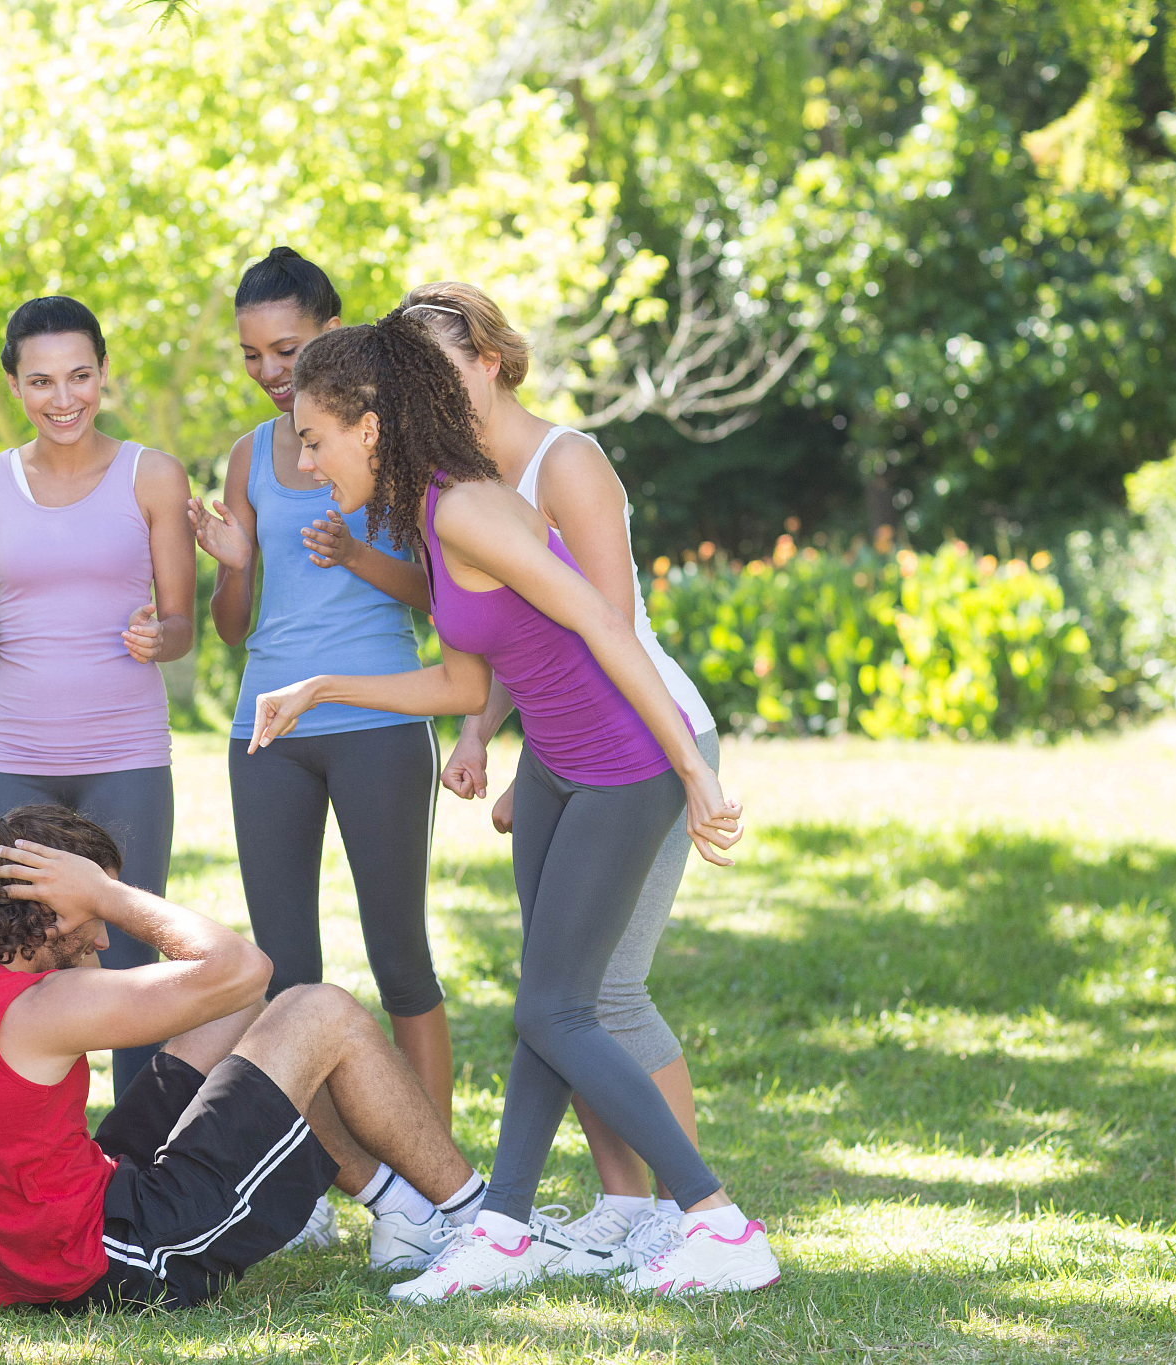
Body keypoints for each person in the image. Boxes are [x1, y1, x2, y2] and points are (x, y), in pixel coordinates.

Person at [249, 311, 780, 1299]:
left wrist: (693, 769)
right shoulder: (429, 509)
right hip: (551, 770)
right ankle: (502, 1232)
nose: (308, 462)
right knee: (546, 1002)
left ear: (369, 427)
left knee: (556, 1007)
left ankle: (717, 1223)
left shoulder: (467, 509)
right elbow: (461, 683)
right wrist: (321, 687)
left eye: (314, 439)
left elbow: (604, 622)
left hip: (620, 766)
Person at [405, 280, 722, 1275]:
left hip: (645, 733)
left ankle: (689, 1213)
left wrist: (566, 762)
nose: (429, 395)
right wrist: (487, 737)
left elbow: (601, 627)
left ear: (491, 359)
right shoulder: (456, 483)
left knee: (601, 991)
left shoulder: (566, 462)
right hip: (566, 747)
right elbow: (517, 635)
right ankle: (625, 1204)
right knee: (561, 988)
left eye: (443, 370)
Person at [0, 804, 488, 1310]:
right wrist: (106, 893)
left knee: (240, 1015)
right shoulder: (40, 1008)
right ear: (48, 910)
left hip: (26, 1261)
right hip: (114, 1263)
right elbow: (244, 967)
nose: (105, 936)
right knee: (322, 1010)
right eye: (96, 912)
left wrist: (83, 908)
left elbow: (231, 997)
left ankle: (404, 1214)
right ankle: (483, 1222)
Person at [189, 248, 460, 1267]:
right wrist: (231, 566)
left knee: (399, 958)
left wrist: (356, 555)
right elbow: (232, 626)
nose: (268, 371)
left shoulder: (393, 444)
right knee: (282, 972)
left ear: (332, 336)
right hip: (266, 730)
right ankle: (312, 1176)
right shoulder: (249, 457)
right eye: (252, 354)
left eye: (287, 348)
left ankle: (435, 1185)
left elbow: (443, 596)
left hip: (379, 720)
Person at [0, 295, 196, 1099]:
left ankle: (140, 1157)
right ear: (15, 384)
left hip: (126, 754)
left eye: (80, 376)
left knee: (130, 960)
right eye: (42, 380)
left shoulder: (153, 475)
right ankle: (21, 1141)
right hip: (14, 755)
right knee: (3, 955)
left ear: (104, 373)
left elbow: (183, 624)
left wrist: (161, 635)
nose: (64, 398)